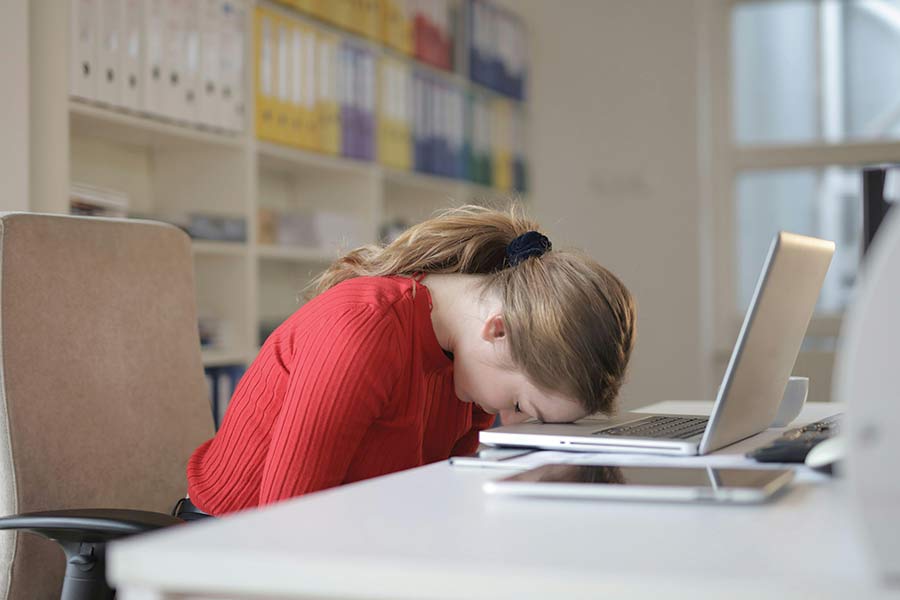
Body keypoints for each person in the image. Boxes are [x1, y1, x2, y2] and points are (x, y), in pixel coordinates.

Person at [184, 205, 636, 516]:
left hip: (351, 538)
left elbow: (437, 501)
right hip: (228, 548)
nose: (511, 424)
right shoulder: (363, 329)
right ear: (498, 331)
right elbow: (285, 529)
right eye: (521, 407)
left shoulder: (470, 366)